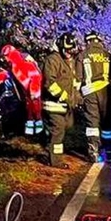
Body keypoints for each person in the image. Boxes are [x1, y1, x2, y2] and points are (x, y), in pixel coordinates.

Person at [77, 30, 111, 162]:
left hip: (90, 93)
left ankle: (93, 151)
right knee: (107, 123)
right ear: (99, 41)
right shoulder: (107, 55)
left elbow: (78, 79)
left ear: (88, 42)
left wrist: (77, 97)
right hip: (106, 93)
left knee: (92, 123)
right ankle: (109, 151)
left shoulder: (83, 55)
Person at [39, 32, 81, 166]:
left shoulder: (69, 61)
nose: (69, 53)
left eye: (71, 50)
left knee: (67, 127)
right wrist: (64, 97)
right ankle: (55, 161)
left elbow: (73, 83)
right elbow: (49, 84)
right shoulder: (53, 60)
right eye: (67, 50)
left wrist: (77, 98)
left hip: (65, 106)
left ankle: (49, 147)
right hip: (53, 105)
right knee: (58, 131)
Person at [0, 44, 44, 137]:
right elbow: (8, 76)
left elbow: (35, 76)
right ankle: (31, 130)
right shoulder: (13, 66)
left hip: (33, 94)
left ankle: (39, 130)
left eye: (5, 57)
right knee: (29, 110)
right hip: (25, 95)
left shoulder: (25, 63)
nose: (4, 60)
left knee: (35, 108)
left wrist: (33, 91)